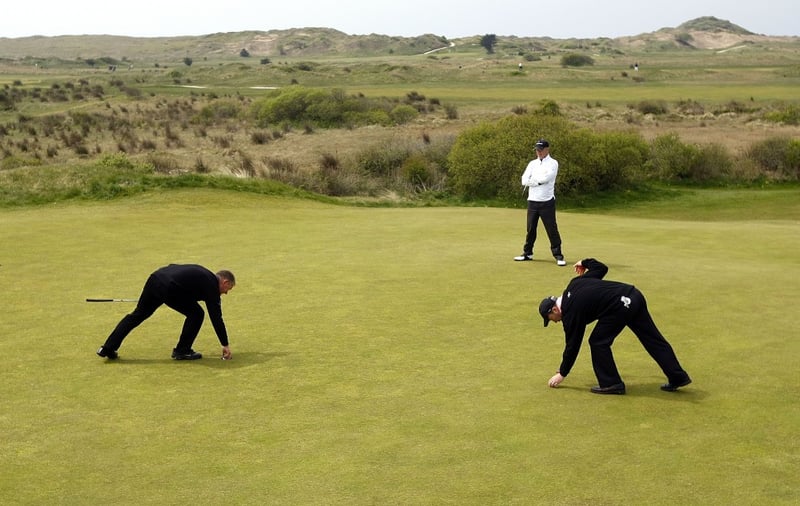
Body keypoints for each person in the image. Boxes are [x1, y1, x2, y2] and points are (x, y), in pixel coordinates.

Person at [539, 258, 691, 395]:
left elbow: (572, 345)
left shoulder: (570, 313)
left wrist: (562, 373)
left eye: (551, 319)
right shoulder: (574, 283)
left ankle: (612, 383)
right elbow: (601, 268)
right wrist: (585, 262)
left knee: (598, 342)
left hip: (620, 307)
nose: (555, 321)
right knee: (653, 339)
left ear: (554, 309)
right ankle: (678, 377)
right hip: (634, 295)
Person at [96, 264, 236, 361]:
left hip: (156, 278)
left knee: (138, 315)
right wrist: (225, 344)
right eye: (227, 289)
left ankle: (107, 348)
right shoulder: (211, 286)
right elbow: (216, 316)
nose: (226, 293)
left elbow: (173, 269)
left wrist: (157, 294)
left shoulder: (203, 275)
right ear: (224, 281)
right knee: (197, 314)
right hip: (169, 288)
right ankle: (182, 351)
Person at [514, 139, 566, 266]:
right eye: (537, 150)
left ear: (547, 150)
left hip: (546, 201)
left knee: (551, 228)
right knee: (530, 229)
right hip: (532, 201)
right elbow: (524, 179)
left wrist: (534, 181)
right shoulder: (532, 163)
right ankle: (527, 253)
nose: (538, 152)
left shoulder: (553, 163)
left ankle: (558, 255)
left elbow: (546, 179)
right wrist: (532, 181)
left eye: (541, 150)